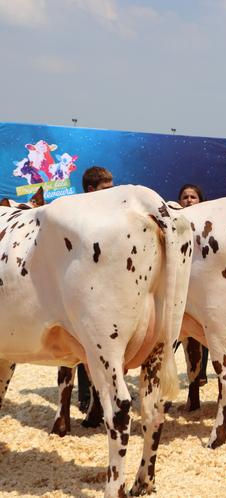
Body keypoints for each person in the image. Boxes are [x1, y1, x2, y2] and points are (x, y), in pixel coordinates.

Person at [77, 166, 115, 412]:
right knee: (84, 347)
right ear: (91, 190)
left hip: (110, 289)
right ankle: (86, 398)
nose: (111, 194)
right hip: (85, 291)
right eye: (105, 189)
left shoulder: (115, 216)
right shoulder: (76, 217)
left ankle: (109, 395)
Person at [177, 184, 210, 386]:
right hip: (177, 288)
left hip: (198, 287)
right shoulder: (173, 224)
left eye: (193, 197)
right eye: (185, 197)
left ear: (200, 201)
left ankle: (200, 376)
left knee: (202, 334)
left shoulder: (208, 228)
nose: (189, 200)